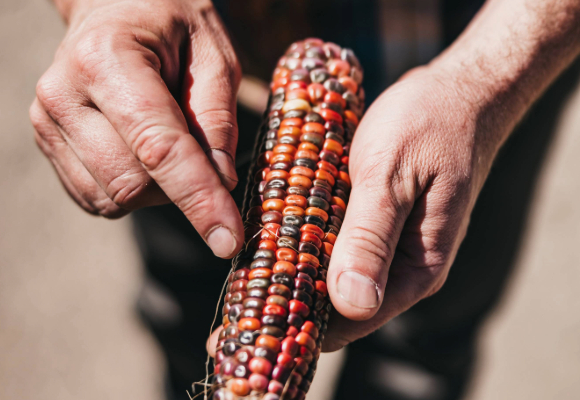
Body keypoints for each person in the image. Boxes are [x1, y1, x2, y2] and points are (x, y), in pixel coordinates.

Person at [30, 1, 580, 399]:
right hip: (215, 74)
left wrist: (481, 84)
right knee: (185, 310)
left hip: (488, 59)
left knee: (423, 351)